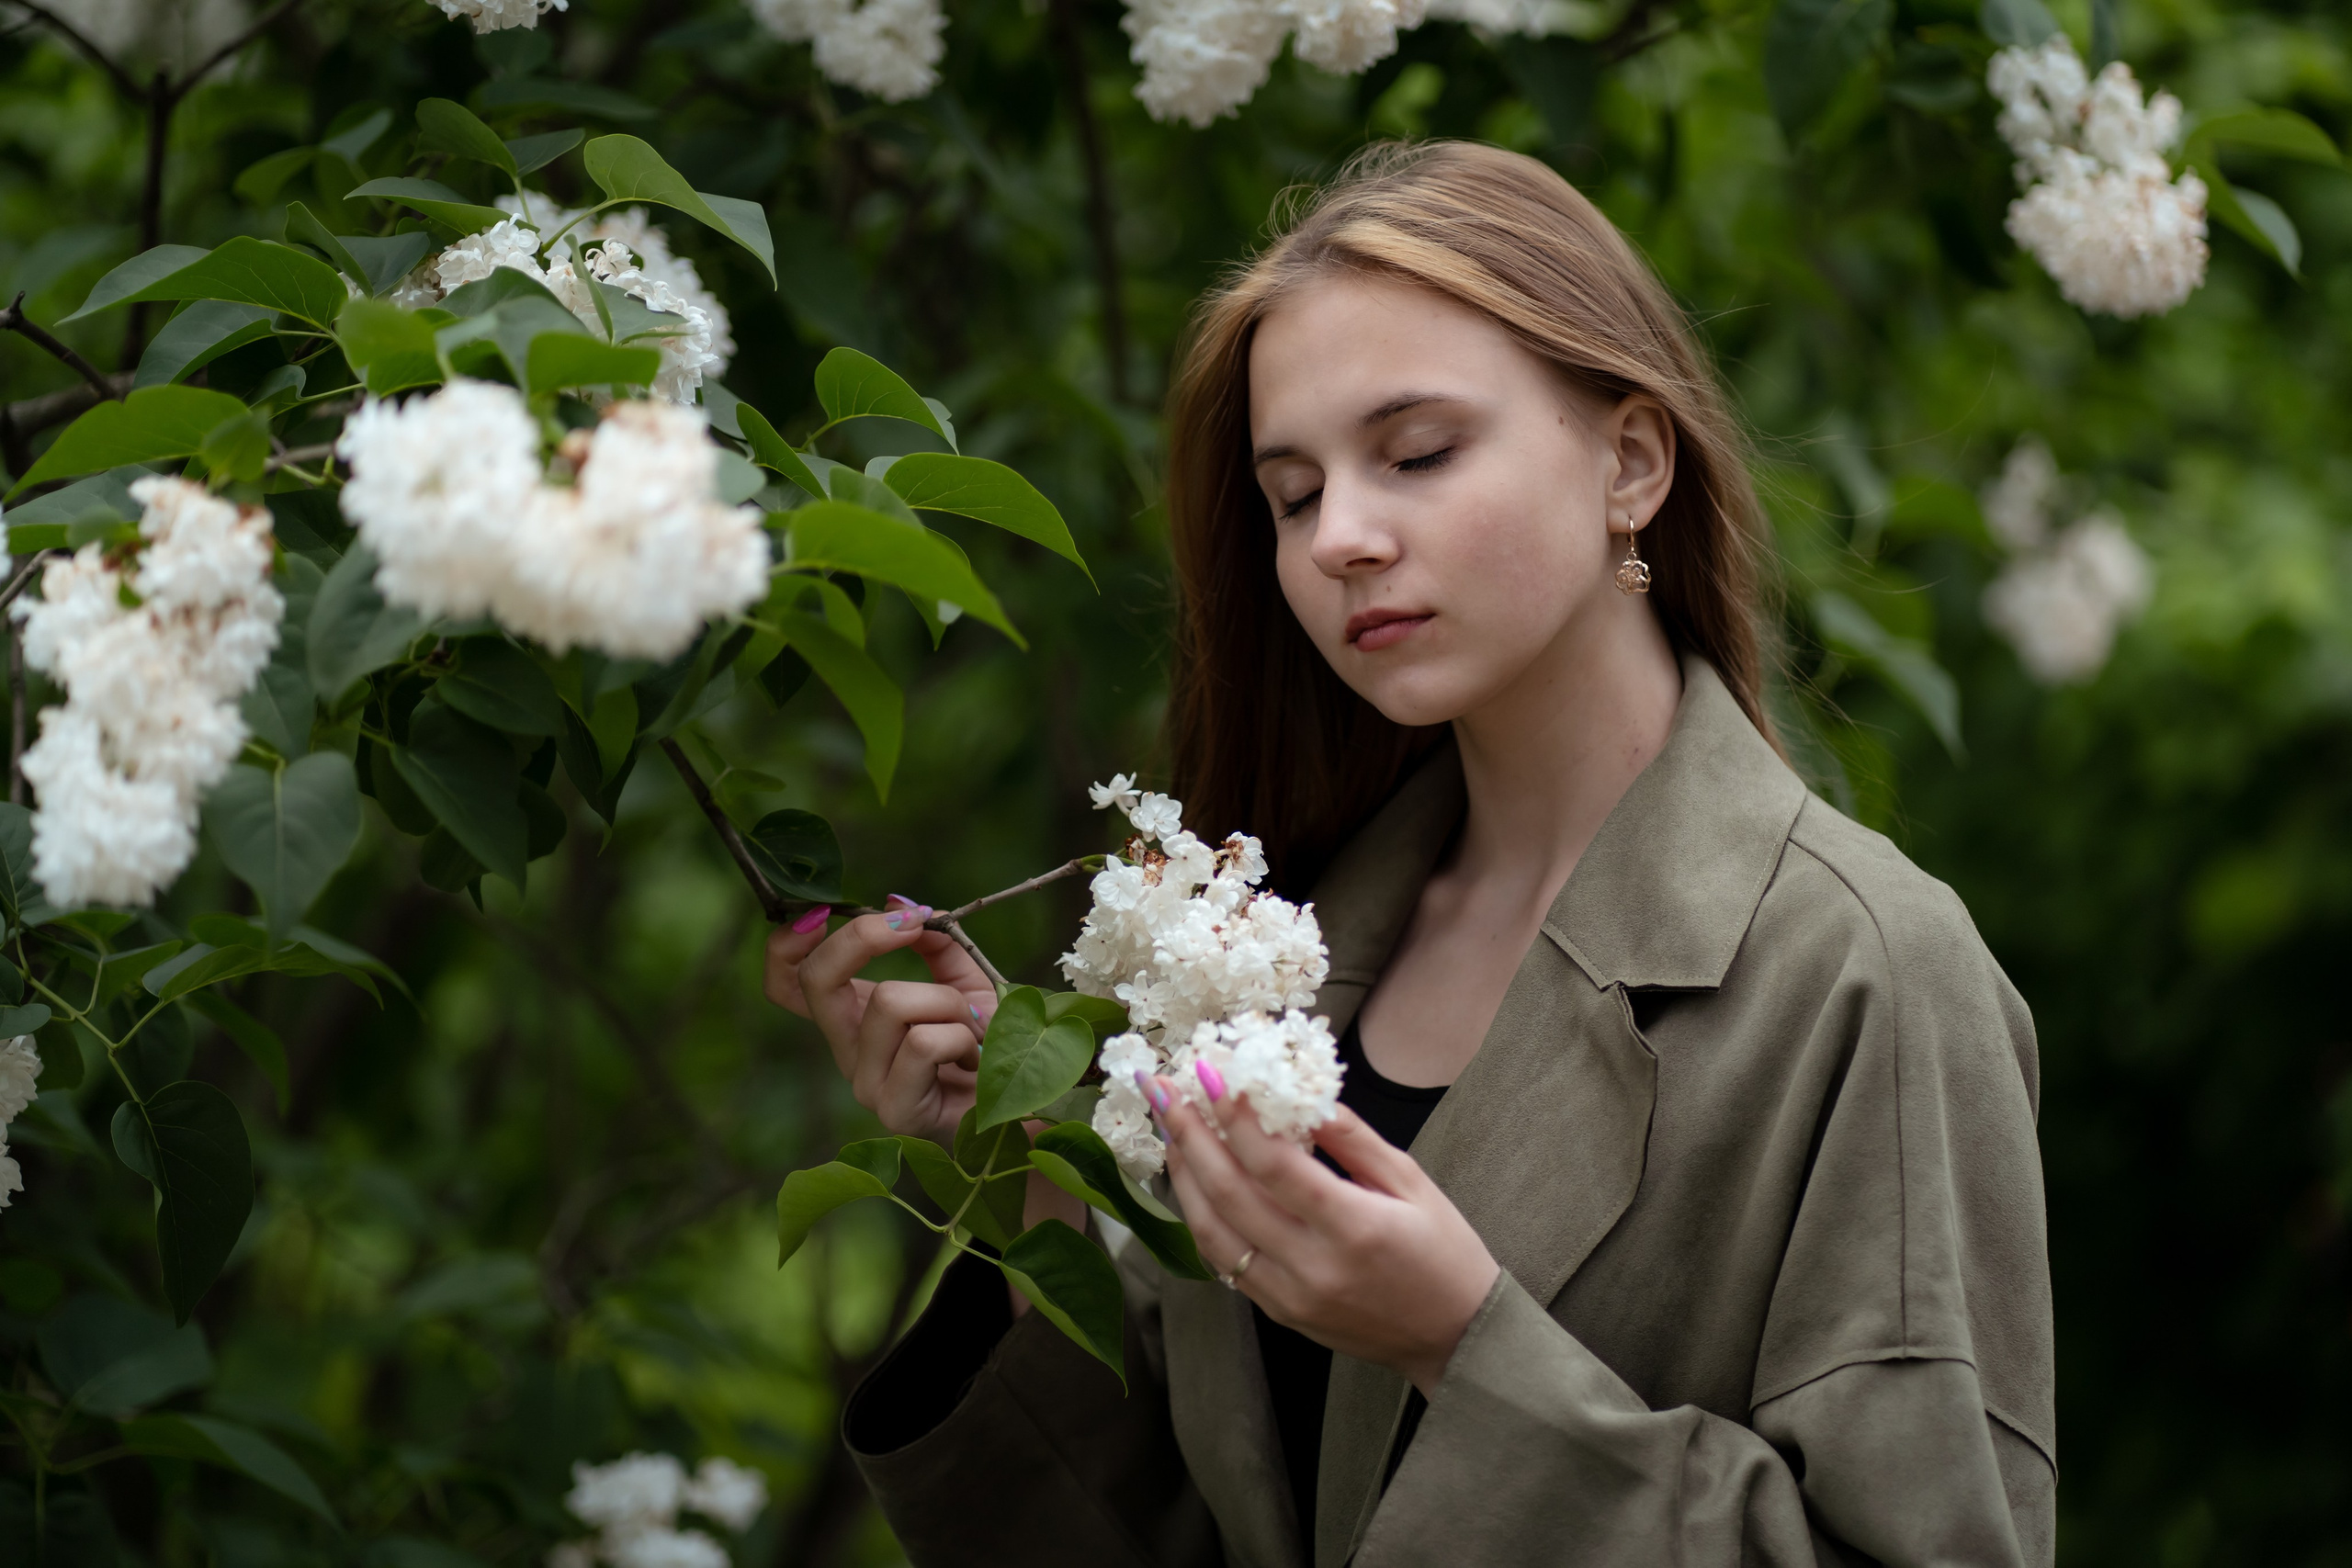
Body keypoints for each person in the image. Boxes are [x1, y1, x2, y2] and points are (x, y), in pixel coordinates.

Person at [762, 141, 2055, 1568]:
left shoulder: (1862, 972)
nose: (1341, 542)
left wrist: (1463, 1347)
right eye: (1295, 494)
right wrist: (1035, 1185)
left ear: (1630, 461)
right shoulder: (1270, 953)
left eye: (1419, 454)